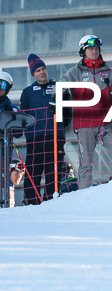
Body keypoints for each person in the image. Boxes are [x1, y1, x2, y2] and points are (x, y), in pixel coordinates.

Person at [53, 35, 112, 189]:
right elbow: (61, 85)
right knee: (85, 163)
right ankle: (84, 194)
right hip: (85, 124)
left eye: (96, 48)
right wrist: (58, 96)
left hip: (107, 123)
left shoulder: (109, 72)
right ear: (83, 51)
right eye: (90, 48)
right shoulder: (75, 72)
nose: (94, 51)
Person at [20, 54, 67, 203]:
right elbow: (23, 115)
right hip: (35, 137)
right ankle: (32, 204)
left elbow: (67, 111)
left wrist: (61, 125)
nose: (42, 72)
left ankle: (51, 202)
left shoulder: (58, 87)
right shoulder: (27, 92)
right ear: (33, 74)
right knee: (33, 172)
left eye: (43, 69)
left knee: (53, 172)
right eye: (38, 70)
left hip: (55, 136)